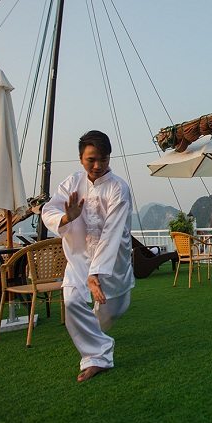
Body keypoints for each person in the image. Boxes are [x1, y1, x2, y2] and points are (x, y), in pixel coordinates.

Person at [41, 130, 134, 382]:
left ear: (109, 158)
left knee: (109, 312)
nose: (97, 165)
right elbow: (48, 209)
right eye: (91, 159)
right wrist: (65, 217)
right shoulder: (72, 183)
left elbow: (112, 233)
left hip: (112, 263)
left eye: (102, 159)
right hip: (79, 257)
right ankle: (98, 357)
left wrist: (97, 273)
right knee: (71, 302)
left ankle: (95, 334)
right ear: (81, 158)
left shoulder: (118, 188)